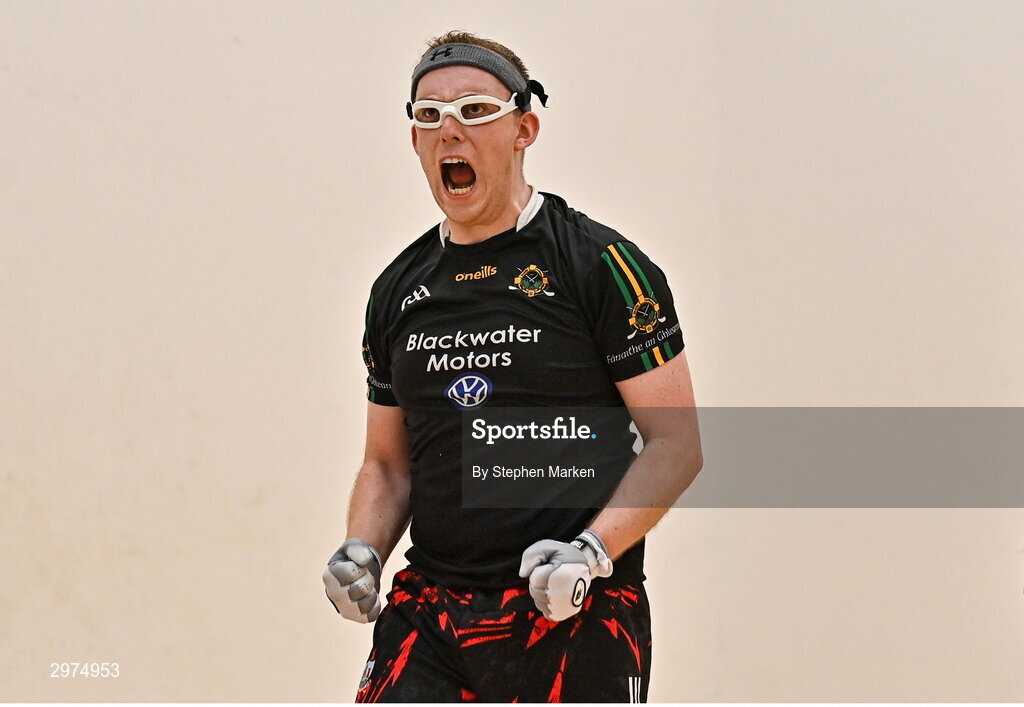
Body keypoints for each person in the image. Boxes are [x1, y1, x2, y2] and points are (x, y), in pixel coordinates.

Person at [323, 31, 702, 703]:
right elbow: (387, 463)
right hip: (430, 616)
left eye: (474, 111)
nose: (450, 133)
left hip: (575, 612)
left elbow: (677, 443)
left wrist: (591, 549)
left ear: (525, 127)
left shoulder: (602, 267)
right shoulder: (395, 290)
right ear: (413, 141)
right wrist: (363, 549)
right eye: (429, 117)